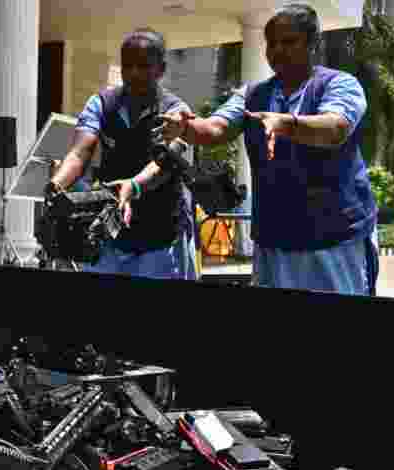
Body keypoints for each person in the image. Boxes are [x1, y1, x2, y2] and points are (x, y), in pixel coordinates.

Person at [158, 4, 378, 295]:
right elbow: (214, 129)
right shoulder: (253, 94)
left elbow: (335, 128)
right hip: (274, 242)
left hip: (334, 240)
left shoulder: (339, 85)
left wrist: (286, 124)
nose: (277, 50)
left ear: (313, 45)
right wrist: (185, 127)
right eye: (271, 43)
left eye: (288, 42)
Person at [46, 27, 198, 280]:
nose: (133, 73)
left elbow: (162, 166)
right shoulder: (101, 104)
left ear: (161, 69)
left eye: (143, 66)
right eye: (127, 66)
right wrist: (56, 186)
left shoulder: (176, 113)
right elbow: (80, 152)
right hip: (109, 234)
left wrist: (133, 187)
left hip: (160, 239)